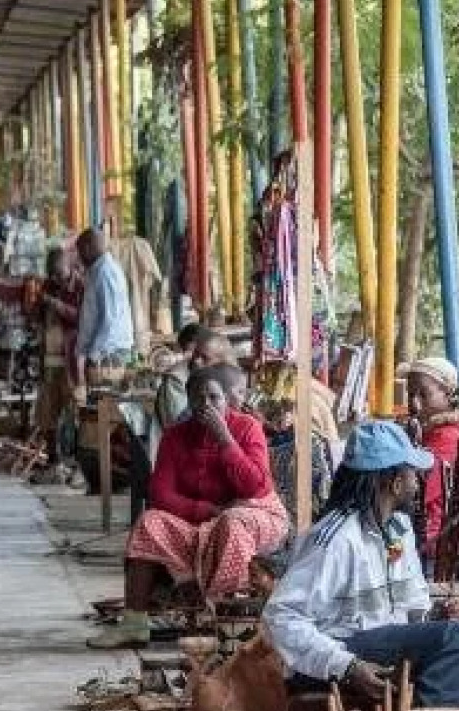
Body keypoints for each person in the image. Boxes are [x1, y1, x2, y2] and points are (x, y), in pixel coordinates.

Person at [265, 421, 459, 709]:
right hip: (337, 653)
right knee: (454, 639)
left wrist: (432, 613)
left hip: (383, 642)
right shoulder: (336, 539)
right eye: (412, 474)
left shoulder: (399, 528)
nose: (418, 483)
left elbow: (408, 605)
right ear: (394, 483)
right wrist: (347, 666)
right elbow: (280, 618)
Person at [88, 364, 290, 648]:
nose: (206, 405)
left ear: (227, 399)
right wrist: (207, 511)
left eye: (214, 397)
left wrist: (225, 440)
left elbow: (255, 487)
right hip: (204, 519)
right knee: (149, 522)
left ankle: (224, 621)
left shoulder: (247, 427)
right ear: (189, 401)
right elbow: (160, 494)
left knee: (232, 523)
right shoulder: (175, 436)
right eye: (198, 398)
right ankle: (134, 623)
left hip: (256, 515)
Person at [403, 356, 459, 567]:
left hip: (432, 544)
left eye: (424, 394)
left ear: (448, 393)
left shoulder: (449, 437)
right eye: (410, 394)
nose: (414, 403)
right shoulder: (429, 431)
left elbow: (412, 493)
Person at [35, 244, 82, 442]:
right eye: (52, 275)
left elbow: (82, 318)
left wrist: (57, 305)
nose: (56, 279)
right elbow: (38, 316)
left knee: (73, 405)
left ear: (69, 266)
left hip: (71, 356)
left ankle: (71, 453)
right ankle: (51, 455)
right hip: (49, 357)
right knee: (47, 408)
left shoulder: (81, 285)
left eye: (59, 274)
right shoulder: (48, 285)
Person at [75, 228, 135, 374]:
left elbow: (110, 319)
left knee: (105, 394)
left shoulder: (105, 273)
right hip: (105, 351)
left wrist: (94, 355)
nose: (79, 257)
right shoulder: (98, 272)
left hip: (109, 353)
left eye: (80, 251)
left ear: (88, 248)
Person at [156, 324, 235, 427]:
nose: (196, 361)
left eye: (205, 358)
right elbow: (178, 425)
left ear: (221, 361)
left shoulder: (228, 379)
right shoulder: (177, 380)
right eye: (195, 355)